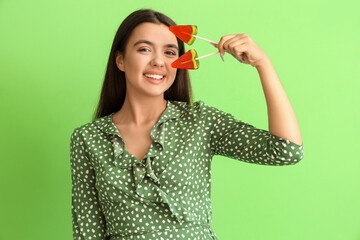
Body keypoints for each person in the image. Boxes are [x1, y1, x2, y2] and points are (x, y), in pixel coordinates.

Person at [69, 8, 304, 240]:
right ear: (120, 60)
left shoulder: (200, 122)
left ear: (181, 62)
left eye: (170, 52)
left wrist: (263, 64)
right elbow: (87, 231)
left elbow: (286, 151)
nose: (159, 61)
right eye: (144, 49)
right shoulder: (88, 138)